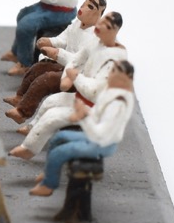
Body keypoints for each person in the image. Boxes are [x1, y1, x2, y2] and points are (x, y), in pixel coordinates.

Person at [10, 10, 128, 160]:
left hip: (95, 106)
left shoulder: (115, 59)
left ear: (113, 30)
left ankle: (43, 151)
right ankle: (29, 143)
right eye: (101, 21)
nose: (99, 25)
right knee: (50, 102)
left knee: (53, 117)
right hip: (81, 96)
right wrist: (67, 78)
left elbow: (96, 89)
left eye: (105, 24)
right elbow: (76, 61)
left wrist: (76, 78)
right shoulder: (95, 41)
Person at [30, 61, 136, 196]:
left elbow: (99, 134)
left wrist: (83, 116)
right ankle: (49, 172)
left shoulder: (118, 103)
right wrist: (83, 113)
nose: (110, 74)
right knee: (58, 138)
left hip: (102, 143)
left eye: (115, 71)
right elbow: (96, 115)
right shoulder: (110, 92)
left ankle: (49, 185)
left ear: (125, 78)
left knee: (59, 152)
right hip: (93, 136)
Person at [4, 0, 106, 123]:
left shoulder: (93, 37)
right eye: (85, 2)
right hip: (64, 65)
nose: (83, 7)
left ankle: (22, 113)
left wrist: (57, 54)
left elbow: (78, 61)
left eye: (90, 6)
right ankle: (19, 97)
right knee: (37, 68)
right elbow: (62, 39)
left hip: (76, 76)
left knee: (47, 79)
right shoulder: (77, 24)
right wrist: (49, 42)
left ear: (99, 15)